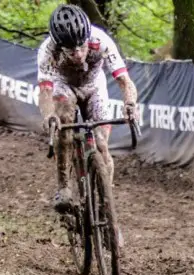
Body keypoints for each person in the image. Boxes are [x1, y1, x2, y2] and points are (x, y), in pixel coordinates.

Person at [36, 4, 137, 217]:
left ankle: (105, 200)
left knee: (101, 144)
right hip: (65, 86)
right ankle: (64, 187)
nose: (78, 54)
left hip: (94, 87)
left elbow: (124, 81)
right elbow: (45, 91)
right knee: (63, 123)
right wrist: (48, 115)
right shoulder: (47, 51)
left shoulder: (100, 41)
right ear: (59, 45)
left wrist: (130, 105)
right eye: (71, 50)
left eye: (81, 47)